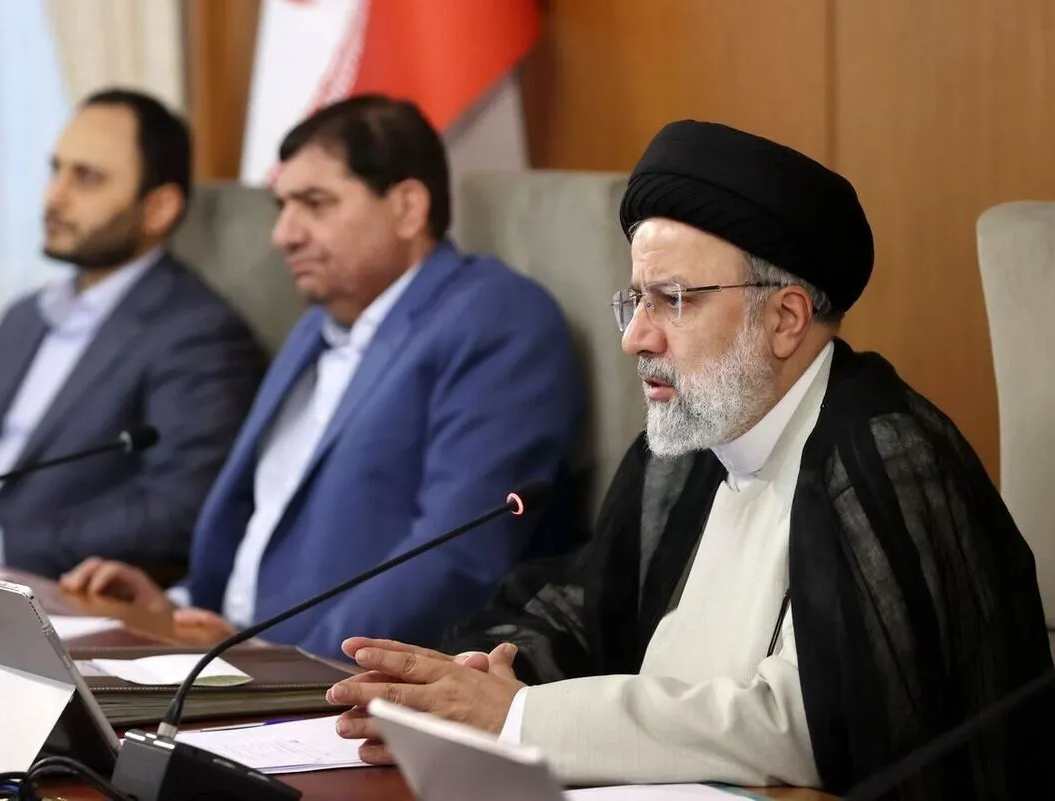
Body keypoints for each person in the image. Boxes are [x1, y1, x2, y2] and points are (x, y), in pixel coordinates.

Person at [324, 120, 1053, 799]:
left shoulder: (886, 458)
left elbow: (815, 725)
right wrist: (473, 676)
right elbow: (587, 612)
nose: (635, 338)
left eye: (673, 300)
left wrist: (519, 717)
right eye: (635, 301)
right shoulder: (686, 446)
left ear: (785, 319)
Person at [59, 95, 585, 661]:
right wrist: (176, 606)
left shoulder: (495, 318)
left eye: (314, 203)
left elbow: (455, 557)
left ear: (408, 208)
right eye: (281, 206)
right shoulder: (316, 326)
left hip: (331, 680)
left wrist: (283, 670)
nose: (283, 234)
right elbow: (263, 517)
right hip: (231, 657)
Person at [0, 89, 264, 581]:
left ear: (158, 208)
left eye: (87, 178)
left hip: (45, 589)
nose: (53, 197)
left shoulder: (199, 334)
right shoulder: (24, 319)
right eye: (56, 170)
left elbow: (178, 512)